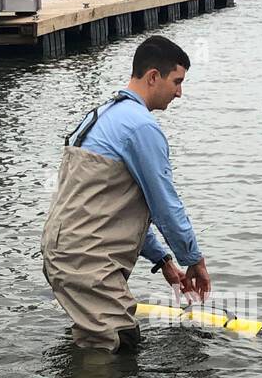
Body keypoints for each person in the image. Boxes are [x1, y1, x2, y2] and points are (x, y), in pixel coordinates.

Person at [42, 36, 211, 352]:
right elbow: (165, 205)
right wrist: (194, 260)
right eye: (177, 81)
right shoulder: (141, 127)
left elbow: (112, 207)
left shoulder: (103, 116)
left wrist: (162, 260)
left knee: (110, 341)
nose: (179, 92)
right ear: (152, 77)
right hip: (85, 258)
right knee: (117, 343)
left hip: (64, 250)